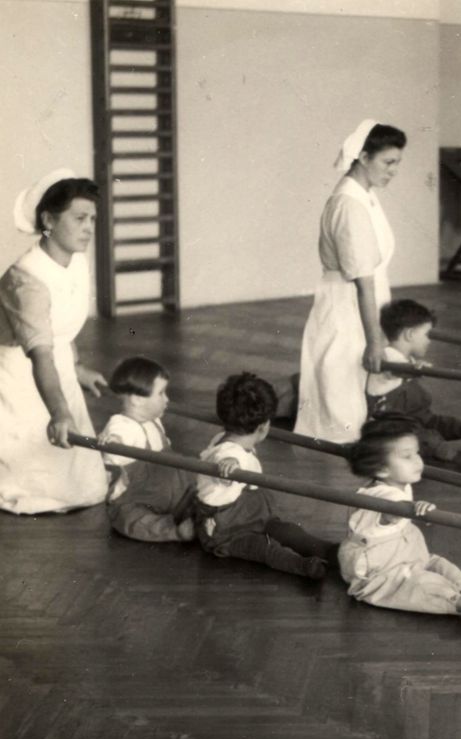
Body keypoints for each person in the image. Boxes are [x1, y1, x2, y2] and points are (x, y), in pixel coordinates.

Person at [0, 169, 109, 514]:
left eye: (92, 218)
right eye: (79, 218)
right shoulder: (27, 279)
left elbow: (60, 329)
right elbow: (40, 354)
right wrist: (59, 411)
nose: (89, 227)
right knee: (33, 484)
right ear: (48, 219)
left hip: (54, 367)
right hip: (18, 373)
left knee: (87, 484)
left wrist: (76, 368)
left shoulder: (75, 260)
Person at [296, 120, 406, 442]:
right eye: (388, 162)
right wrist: (375, 341)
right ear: (363, 157)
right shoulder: (349, 203)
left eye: (398, 163)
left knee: (355, 391)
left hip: (365, 304)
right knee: (341, 401)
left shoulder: (364, 195)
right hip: (349, 306)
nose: (394, 170)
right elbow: (363, 283)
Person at [338, 419, 461, 619]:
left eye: (416, 452)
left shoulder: (395, 482)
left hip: (402, 553)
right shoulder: (383, 497)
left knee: (437, 563)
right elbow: (394, 509)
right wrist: (414, 508)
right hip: (379, 571)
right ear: (382, 470)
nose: (418, 460)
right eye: (407, 456)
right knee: (418, 583)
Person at [195, 372, 337, 578]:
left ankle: (328, 550)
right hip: (227, 529)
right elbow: (223, 464)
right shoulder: (227, 455)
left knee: (287, 531)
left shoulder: (226, 438)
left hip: (250, 513)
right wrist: (228, 467)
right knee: (264, 548)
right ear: (263, 427)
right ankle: (304, 565)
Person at [365, 299, 461, 461]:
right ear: (410, 334)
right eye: (427, 335)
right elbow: (394, 370)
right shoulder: (386, 356)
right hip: (390, 423)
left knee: (447, 424)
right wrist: (413, 370)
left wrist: (413, 368)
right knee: (415, 435)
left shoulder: (409, 360)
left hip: (419, 416)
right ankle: (439, 448)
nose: (429, 340)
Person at [99, 356, 195, 542]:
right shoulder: (121, 426)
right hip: (138, 500)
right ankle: (174, 531)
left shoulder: (154, 421)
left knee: (195, 487)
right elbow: (114, 446)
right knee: (132, 520)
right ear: (137, 399)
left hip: (170, 494)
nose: (167, 399)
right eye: (161, 393)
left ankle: (197, 515)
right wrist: (111, 442)